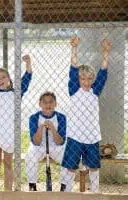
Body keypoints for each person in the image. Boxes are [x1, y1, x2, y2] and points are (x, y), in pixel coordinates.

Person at [61, 36, 112, 192]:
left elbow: (103, 73)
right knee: (70, 167)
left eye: (90, 78)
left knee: (94, 167)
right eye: (83, 78)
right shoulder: (74, 89)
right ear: (78, 79)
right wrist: (74, 48)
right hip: (75, 135)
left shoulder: (94, 91)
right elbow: (73, 67)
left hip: (92, 136)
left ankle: (95, 192)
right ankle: (66, 192)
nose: (86, 81)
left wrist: (105, 52)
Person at [0, 55, 32, 191]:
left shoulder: (15, 93)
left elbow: (26, 80)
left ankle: (8, 191)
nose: (0, 80)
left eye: (3, 77)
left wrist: (28, 63)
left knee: (8, 163)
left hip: (9, 134)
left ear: (9, 79)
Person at [26, 91, 68, 191]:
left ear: (55, 104)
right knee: (30, 155)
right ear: (40, 104)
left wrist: (53, 129)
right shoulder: (34, 117)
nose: (48, 105)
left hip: (56, 147)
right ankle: (32, 186)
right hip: (39, 147)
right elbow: (36, 142)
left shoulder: (61, 117)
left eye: (51, 102)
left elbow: (60, 142)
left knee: (67, 156)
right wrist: (40, 128)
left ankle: (64, 187)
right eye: (45, 102)